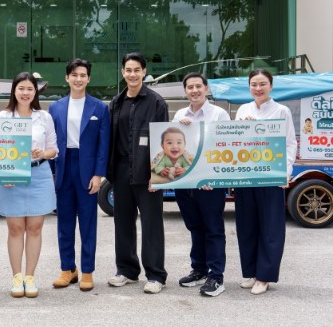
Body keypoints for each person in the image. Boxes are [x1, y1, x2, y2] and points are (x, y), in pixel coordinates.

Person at [106, 52, 169, 294]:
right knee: (122, 222)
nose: (132, 74)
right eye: (128, 70)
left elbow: (164, 139)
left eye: (137, 70)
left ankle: (155, 275)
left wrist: (158, 175)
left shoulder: (156, 102)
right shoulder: (116, 102)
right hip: (121, 169)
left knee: (152, 224)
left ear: (144, 72)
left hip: (148, 171)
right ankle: (127, 270)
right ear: (123, 72)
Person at [48, 59, 110, 291]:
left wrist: (98, 174)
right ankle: (67, 269)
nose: (78, 79)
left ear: (89, 78)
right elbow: (51, 141)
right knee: (64, 223)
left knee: (87, 224)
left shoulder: (99, 108)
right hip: (63, 168)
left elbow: (103, 145)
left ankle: (87, 271)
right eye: (74, 75)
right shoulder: (55, 107)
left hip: (87, 171)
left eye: (83, 75)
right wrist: (51, 173)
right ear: (67, 78)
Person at [234, 69, 297, 295]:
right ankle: (252, 273)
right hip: (246, 176)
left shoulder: (281, 111)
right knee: (247, 226)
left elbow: (290, 143)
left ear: (271, 86)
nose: (258, 88)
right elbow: (233, 141)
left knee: (270, 228)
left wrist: (285, 172)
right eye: (254, 84)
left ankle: (264, 276)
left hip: (271, 176)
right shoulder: (243, 109)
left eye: (262, 84)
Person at [0, 72, 58, 298]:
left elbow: (54, 149)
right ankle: (16, 277)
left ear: (35, 92)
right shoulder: (3, 116)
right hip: (11, 175)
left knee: (35, 228)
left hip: (39, 174)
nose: (25, 93)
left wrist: (43, 152)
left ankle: (30, 277)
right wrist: (4, 174)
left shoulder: (44, 117)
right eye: (21, 88)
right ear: (14, 90)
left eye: (30, 89)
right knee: (15, 228)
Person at [171, 72, 230, 297]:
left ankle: (216, 276)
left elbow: (226, 147)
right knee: (194, 226)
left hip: (210, 183)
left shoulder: (219, 114)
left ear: (206, 88)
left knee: (213, 228)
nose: (194, 90)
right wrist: (180, 127)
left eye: (198, 86)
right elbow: (171, 145)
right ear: (185, 91)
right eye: (190, 87)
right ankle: (199, 269)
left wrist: (211, 177)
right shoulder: (179, 114)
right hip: (185, 182)